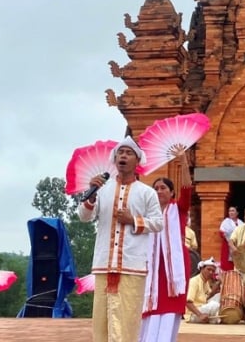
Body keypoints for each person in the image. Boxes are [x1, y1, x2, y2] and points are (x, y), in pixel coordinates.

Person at [77, 136, 163, 342]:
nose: (123, 156)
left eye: (128, 153)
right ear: (114, 159)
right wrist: (90, 197)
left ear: (137, 160)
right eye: (120, 153)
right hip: (104, 264)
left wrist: (132, 220)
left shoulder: (147, 193)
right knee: (101, 322)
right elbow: (84, 216)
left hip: (132, 266)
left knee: (127, 320)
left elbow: (158, 223)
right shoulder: (101, 189)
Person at [140, 146, 193, 342]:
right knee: (151, 306)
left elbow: (187, 188)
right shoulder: (146, 214)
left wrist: (183, 161)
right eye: (156, 188)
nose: (159, 191)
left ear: (172, 193)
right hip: (152, 267)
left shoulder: (178, 209)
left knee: (170, 310)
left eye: (163, 188)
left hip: (175, 268)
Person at [185, 257, 222, 324]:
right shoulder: (194, 281)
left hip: (202, 308)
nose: (211, 272)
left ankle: (214, 318)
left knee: (219, 296)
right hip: (193, 314)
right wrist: (200, 315)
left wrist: (219, 282)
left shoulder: (206, 282)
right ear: (202, 269)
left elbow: (209, 295)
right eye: (208, 269)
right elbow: (187, 302)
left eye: (213, 271)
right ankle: (214, 318)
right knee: (215, 305)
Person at [218, 206, 243, 271]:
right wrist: (229, 239)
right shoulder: (225, 222)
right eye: (230, 211)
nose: (231, 212)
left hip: (238, 245)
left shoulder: (241, 223)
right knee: (227, 265)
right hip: (227, 245)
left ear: (237, 213)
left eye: (233, 211)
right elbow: (221, 233)